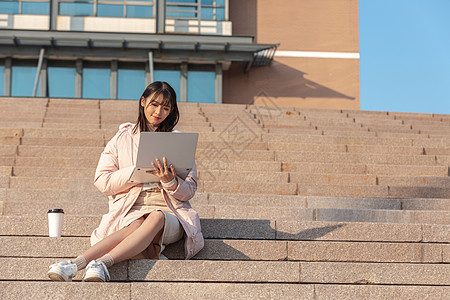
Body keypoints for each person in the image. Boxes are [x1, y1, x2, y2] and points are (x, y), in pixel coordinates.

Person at [47, 81, 204, 282]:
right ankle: (73, 265)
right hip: (132, 210)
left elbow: (189, 190)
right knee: (137, 224)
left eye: (166, 107)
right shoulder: (121, 138)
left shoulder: (180, 142)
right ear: (142, 101)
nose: (159, 112)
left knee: (156, 216)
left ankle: (103, 263)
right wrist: (136, 172)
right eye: (154, 104)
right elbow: (102, 181)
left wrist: (171, 181)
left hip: (171, 213)